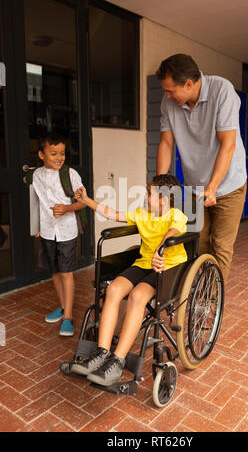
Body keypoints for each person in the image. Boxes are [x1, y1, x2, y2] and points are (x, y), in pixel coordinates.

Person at [71, 174, 187, 386]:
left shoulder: (176, 215)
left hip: (168, 267)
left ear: (163, 198)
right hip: (144, 263)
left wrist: (161, 249)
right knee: (114, 289)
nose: (145, 196)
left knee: (137, 296)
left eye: (150, 193)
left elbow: (173, 232)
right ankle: (101, 353)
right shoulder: (142, 214)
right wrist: (86, 200)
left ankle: (117, 361)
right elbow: (113, 214)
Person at [156, 53, 247, 283]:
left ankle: (212, 301)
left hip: (228, 185)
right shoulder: (169, 102)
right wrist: (159, 186)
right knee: (199, 242)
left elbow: (228, 144)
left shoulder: (222, 91)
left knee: (221, 247)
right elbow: (166, 143)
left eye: (170, 90)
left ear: (188, 84)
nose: (167, 95)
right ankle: (200, 291)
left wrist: (213, 187)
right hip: (195, 185)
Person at [32, 133, 86, 336]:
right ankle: (63, 307)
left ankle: (69, 317)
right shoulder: (36, 175)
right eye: (53, 153)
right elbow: (37, 202)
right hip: (47, 231)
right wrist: (36, 226)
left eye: (62, 153)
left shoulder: (70, 174)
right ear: (41, 155)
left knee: (66, 272)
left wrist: (67, 208)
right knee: (54, 270)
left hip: (66, 231)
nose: (58, 157)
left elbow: (83, 202)